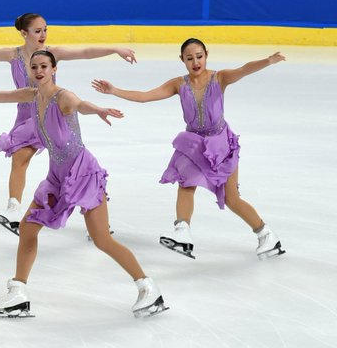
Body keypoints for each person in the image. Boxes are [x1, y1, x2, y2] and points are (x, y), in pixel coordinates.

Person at [0, 50, 169, 319]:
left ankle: (147, 287)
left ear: (54, 69)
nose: (39, 71)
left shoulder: (63, 97)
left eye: (44, 66)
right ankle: (18, 292)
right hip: (57, 177)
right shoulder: (31, 96)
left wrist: (98, 110)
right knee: (28, 228)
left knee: (102, 239)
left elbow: (79, 104)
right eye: (34, 67)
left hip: (83, 174)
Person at [0, 13, 136, 234]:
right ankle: (14, 209)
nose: (43, 35)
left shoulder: (52, 54)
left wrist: (115, 49)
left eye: (45, 30)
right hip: (27, 117)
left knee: (72, 168)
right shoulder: (12, 55)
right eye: (38, 31)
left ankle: (98, 220)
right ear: (24, 33)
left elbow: (85, 52)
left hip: (52, 115)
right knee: (20, 159)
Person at [92, 40, 286, 259]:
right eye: (190, 58)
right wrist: (114, 90)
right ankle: (182, 230)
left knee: (232, 199)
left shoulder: (219, 78)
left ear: (206, 55)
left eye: (199, 56)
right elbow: (145, 96)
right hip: (194, 144)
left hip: (220, 143)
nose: (196, 62)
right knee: (186, 184)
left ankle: (266, 234)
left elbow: (244, 69)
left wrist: (268, 61)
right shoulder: (179, 84)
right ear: (182, 60)